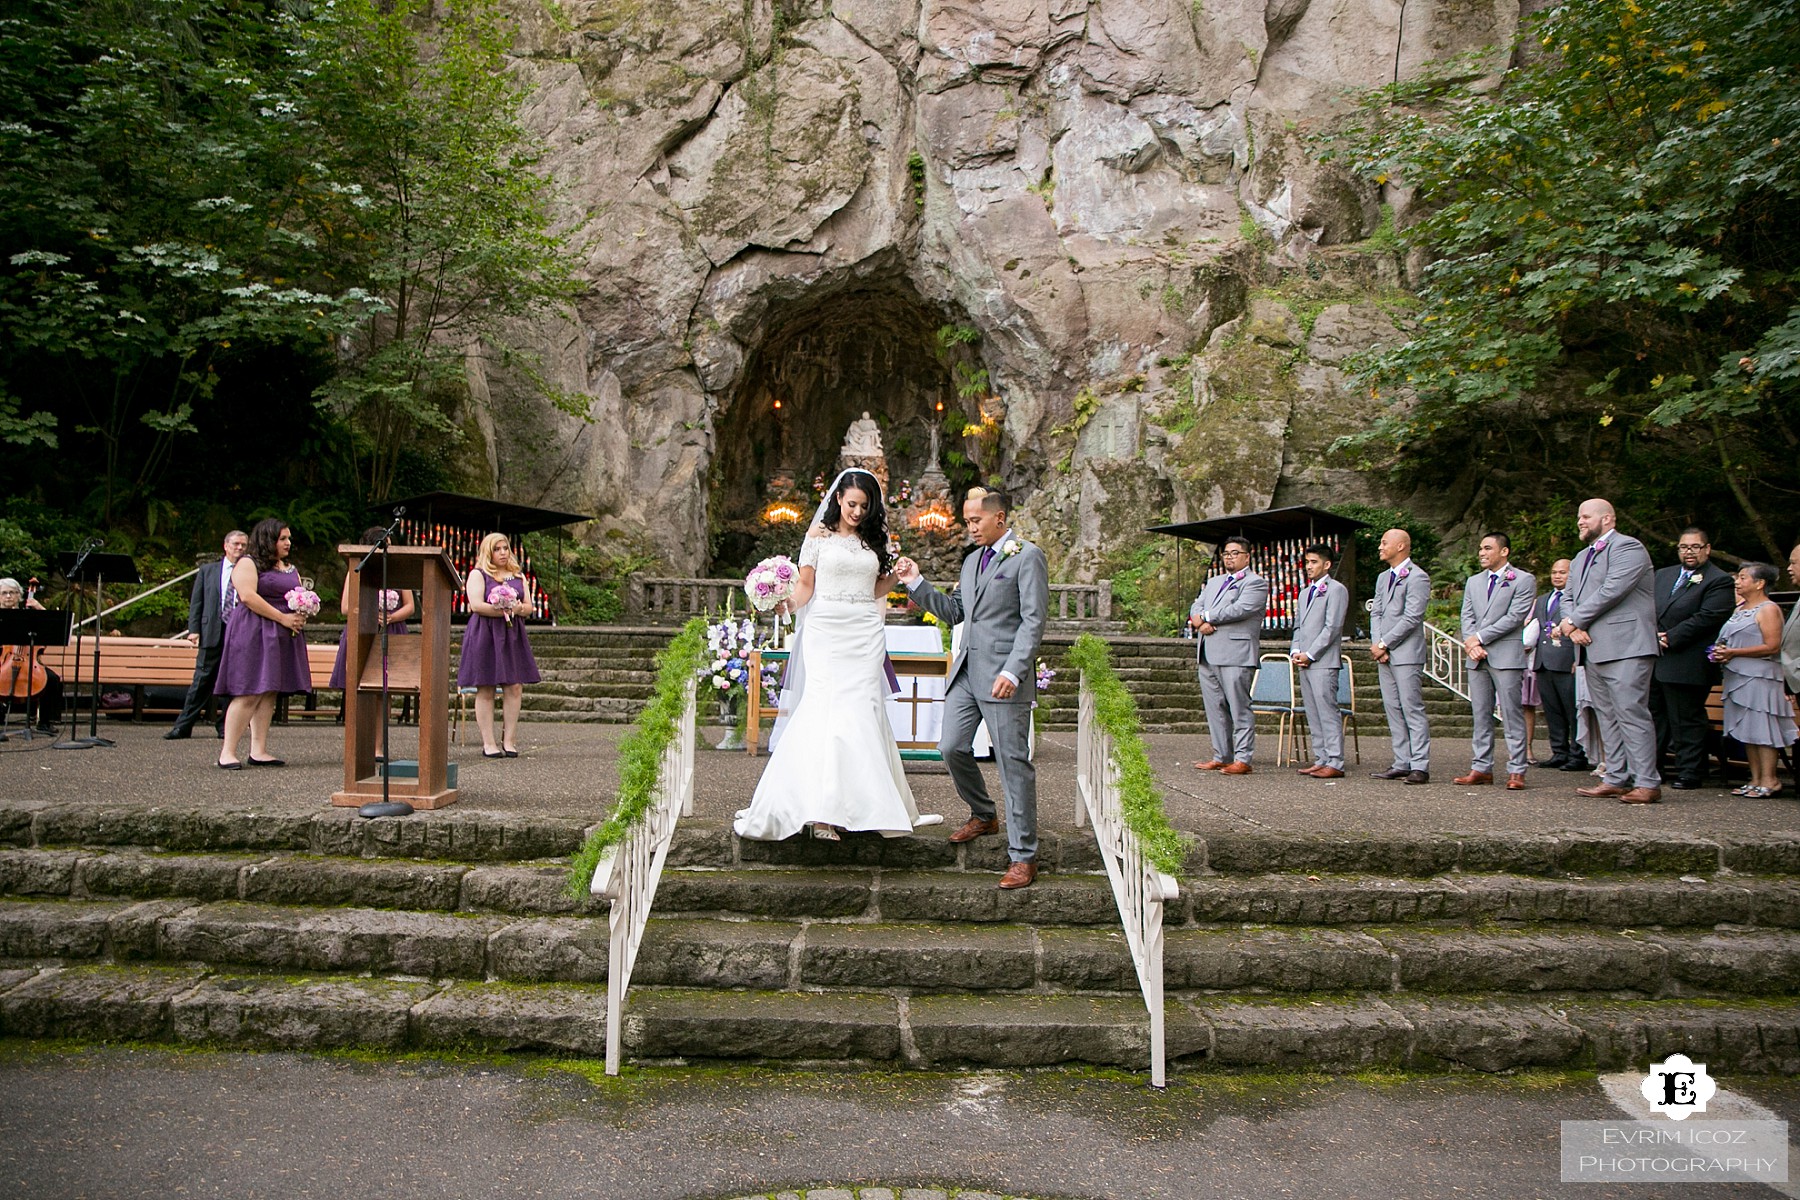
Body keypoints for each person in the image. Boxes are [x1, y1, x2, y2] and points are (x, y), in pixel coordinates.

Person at [735, 470, 934, 845]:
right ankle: (821, 810)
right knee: (824, 709)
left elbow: (876, 587)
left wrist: (901, 575)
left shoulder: (877, 540)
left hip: (864, 630)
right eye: (852, 504)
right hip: (826, 630)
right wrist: (788, 604)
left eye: (864, 506)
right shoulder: (817, 538)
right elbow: (806, 586)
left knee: (862, 709)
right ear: (838, 499)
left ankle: (864, 806)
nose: (857, 512)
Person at [896, 488, 1049, 889]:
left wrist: (1015, 671)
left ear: (999, 518)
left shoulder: (1027, 556)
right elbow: (955, 611)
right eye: (966, 521)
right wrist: (916, 583)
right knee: (950, 747)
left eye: (975, 520)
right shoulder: (970, 561)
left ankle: (1024, 856)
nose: (970, 527)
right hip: (967, 671)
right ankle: (984, 814)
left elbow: (1033, 621)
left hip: (1003, 678)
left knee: (1013, 764)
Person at [1554, 499, 1661, 804]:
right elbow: (1568, 597)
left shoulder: (1629, 548)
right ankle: (1615, 777)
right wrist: (1572, 626)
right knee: (1606, 716)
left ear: (1608, 519)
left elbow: (1612, 590)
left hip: (1627, 645)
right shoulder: (1580, 557)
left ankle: (1647, 782)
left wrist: (1574, 620)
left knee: (1632, 712)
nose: (1580, 522)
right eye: (1578, 517)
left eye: (1586, 516)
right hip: (1591, 648)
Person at [213, 519, 312, 769]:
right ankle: (227, 751)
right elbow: (247, 596)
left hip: (281, 634)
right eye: (282, 539)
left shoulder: (290, 568)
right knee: (249, 690)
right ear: (268, 540)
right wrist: (283, 618)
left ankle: (258, 750)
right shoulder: (248, 563)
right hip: (254, 631)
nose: (288, 543)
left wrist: (302, 612)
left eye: (289, 538)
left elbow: (296, 596)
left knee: (269, 691)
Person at [1650, 528, 1734, 789]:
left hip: (1687, 660)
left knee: (1685, 718)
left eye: (1695, 547)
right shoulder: (1663, 576)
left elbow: (1707, 617)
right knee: (1654, 717)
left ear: (1707, 549)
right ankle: (1652, 769)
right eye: (1684, 547)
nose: (1689, 551)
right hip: (1655, 658)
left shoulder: (1718, 580)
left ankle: (1690, 771)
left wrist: (1669, 637)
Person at [1456, 534, 1537, 789]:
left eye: (1488, 548)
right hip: (1476, 657)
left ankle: (1517, 769)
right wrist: (1471, 642)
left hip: (1506, 655)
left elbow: (1515, 617)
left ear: (1504, 552)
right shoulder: (1473, 581)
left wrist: (1478, 638)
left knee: (1512, 714)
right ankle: (1481, 767)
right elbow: (1467, 615)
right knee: (1481, 714)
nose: (1482, 552)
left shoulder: (1523, 580)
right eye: (1480, 548)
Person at [327, 525, 416, 757]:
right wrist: (370, 612)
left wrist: (391, 616)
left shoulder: (398, 570)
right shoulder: (357, 568)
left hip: (391, 630)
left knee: (384, 693)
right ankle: (357, 745)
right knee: (359, 690)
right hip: (363, 630)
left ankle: (378, 746)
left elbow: (410, 606)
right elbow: (346, 607)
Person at [1187, 536, 1268, 775]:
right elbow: (1196, 606)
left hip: (1235, 652)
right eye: (1226, 553)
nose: (1229, 557)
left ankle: (1243, 757)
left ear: (1246, 556)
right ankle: (1221, 755)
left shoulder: (1256, 583)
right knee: (1215, 708)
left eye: (1234, 553)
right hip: (1207, 651)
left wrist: (1208, 617)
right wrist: (1199, 623)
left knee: (1239, 706)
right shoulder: (1214, 581)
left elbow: (1242, 608)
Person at [1713, 563, 1794, 798]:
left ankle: (1770, 779)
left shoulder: (1768, 609)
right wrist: (1721, 651)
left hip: (1761, 676)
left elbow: (1772, 646)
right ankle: (1755, 777)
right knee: (1748, 728)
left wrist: (1735, 653)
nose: (1737, 582)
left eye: (1743, 578)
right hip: (1738, 675)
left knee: (1762, 727)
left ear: (1760, 583)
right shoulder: (1740, 609)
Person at [458, 532, 540, 759]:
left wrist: (516, 609)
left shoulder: (517, 575)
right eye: (497, 549)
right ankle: (489, 743)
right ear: (488, 552)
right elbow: (475, 605)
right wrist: (501, 607)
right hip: (485, 633)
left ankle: (510, 741)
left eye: (505, 548)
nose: (503, 552)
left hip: (512, 634)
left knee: (514, 686)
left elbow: (528, 606)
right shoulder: (479, 574)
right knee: (485, 687)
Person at [165, 530, 248, 740]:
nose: (240, 548)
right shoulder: (208, 570)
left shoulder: (250, 571)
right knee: (201, 681)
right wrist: (193, 629)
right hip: (212, 629)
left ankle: (226, 727)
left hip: (239, 631)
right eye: (236, 544)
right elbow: (197, 601)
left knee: (233, 682)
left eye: (244, 545)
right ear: (226, 546)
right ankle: (183, 726)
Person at [1369, 528, 1432, 784]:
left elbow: (1412, 617)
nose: (1380, 547)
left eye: (1385, 543)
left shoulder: (1418, 577)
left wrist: (1385, 642)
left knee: (1411, 707)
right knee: (1392, 708)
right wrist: (1377, 644)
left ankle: (1420, 764)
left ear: (1401, 546)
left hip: (1406, 652)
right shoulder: (1384, 577)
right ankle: (1401, 760)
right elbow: (1376, 611)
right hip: (1384, 652)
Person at [1290, 543, 1348, 779]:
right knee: (1312, 711)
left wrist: (1311, 653)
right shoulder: (1305, 593)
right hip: (1304, 660)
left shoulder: (1336, 590)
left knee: (1327, 711)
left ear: (1327, 564)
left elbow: (1332, 627)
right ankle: (1321, 757)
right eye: (1307, 562)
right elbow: (1299, 626)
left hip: (1323, 661)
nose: (1309, 566)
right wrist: (1295, 649)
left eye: (1314, 562)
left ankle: (1335, 761)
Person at [1531, 559, 1589, 772]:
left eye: (1562, 572)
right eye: (1554, 572)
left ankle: (1578, 753)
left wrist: (1578, 658)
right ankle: (1559, 751)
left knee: (1572, 710)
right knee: (1552, 711)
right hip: (1544, 662)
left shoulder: (1578, 599)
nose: (1557, 576)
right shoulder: (1542, 599)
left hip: (1567, 662)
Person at [0, 576, 63, 733]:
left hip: (27, 660)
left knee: (52, 679)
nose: (8, 596)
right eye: (4, 593)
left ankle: (45, 722)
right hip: (3, 659)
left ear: (19, 595)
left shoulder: (28, 615)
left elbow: (52, 625)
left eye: (12, 593)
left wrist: (38, 607)